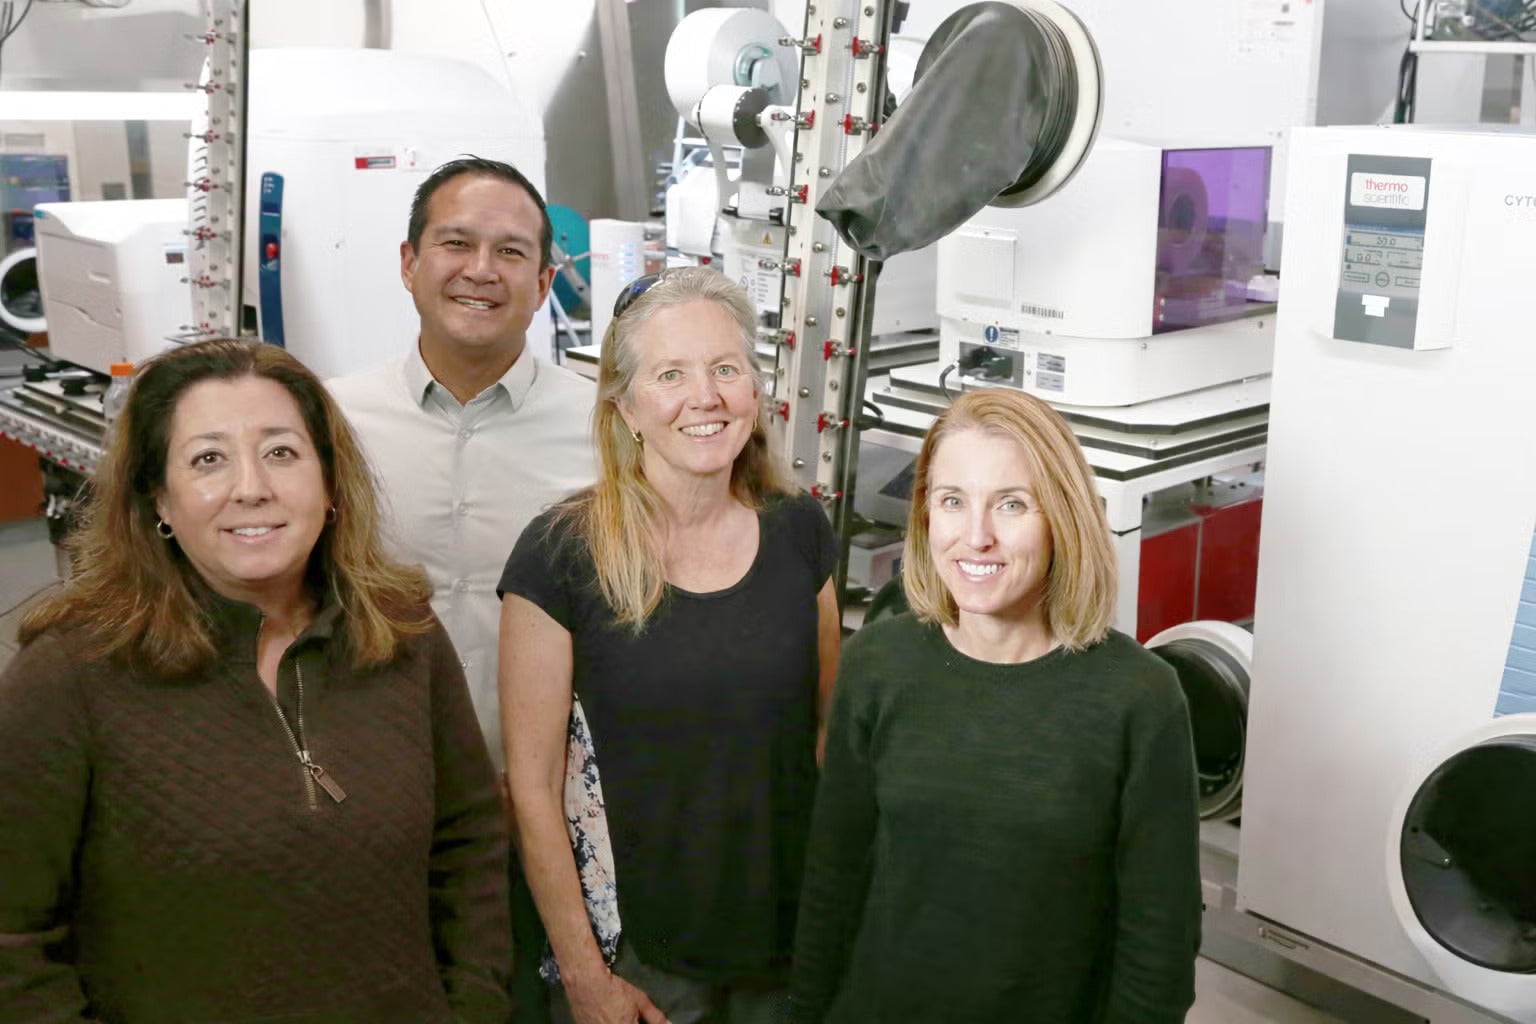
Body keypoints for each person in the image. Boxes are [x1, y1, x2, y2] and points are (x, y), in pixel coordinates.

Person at [0, 339, 510, 1023]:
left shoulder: (402, 635)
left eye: (281, 452)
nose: (251, 487)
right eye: (208, 458)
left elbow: (469, 845)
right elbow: (14, 941)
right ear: (160, 498)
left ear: (330, 485)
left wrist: (471, 1008)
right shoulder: (70, 675)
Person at [787, 388, 1202, 1024]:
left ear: (1061, 517)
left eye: (1011, 504)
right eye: (953, 502)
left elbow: (1159, 951)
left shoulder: (1138, 698)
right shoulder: (878, 662)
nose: (975, 537)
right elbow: (833, 881)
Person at [499, 267, 842, 1024]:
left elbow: (825, 736)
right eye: (671, 374)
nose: (706, 396)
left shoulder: (799, 531)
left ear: (755, 389)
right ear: (625, 405)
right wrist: (587, 980)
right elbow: (532, 788)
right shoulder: (562, 554)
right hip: (642, 962)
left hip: (786, 947)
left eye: (726, 368)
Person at [328, 156, 597, 1021]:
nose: (482, 270)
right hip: (380, 817)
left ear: (546, 280)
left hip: (549, 823)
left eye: (512, 252)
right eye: (456, 243)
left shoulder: (609, 432)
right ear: (408, 262)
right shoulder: (328, 424)